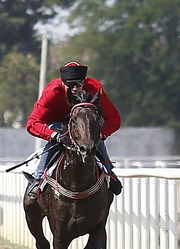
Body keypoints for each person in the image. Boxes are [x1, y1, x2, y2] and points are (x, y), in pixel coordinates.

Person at [24, 61, 123, 202]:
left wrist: (102, 133)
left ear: (85, 81)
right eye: (70, 85)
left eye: (79, 84)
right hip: (57, 124)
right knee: (56, 142)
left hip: (83, 124)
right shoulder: (52, 92)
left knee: (94, 138)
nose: (75, 89)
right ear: (62, 83)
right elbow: (32, 123)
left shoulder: (94, 87)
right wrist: (53, 135)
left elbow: (114, 117)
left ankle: (109, 172)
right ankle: (38, 179)